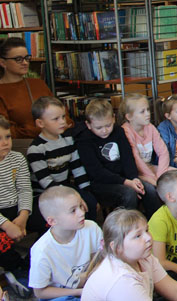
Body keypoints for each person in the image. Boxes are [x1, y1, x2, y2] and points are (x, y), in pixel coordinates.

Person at [81, 208, 177, 301]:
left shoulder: (144, 257)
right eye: (137, 236)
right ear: (117, 247)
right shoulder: (121, 280)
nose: (148, 238)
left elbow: (175, 290)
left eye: (147, 230)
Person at [76, 99, 161, 215]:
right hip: (101, 183)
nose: (104, 131)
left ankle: (153, 222)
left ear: (113, 118)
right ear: (88, 125)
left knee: (149, 190)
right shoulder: (84, 140)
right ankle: (127, 224)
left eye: (108, 125)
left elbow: (128, 158)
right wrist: (126, 182)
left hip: (124, 178)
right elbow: (96, 172)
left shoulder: (119, 132)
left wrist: (133, 178)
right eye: (99, 128)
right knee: (128, 193)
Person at [26, 96, 96, 233]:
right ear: (40, 123)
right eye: (56, 119)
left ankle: (87, 235)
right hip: (45, 193)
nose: (63, 121)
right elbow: (46, 182)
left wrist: (86, 191)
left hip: (65, 186)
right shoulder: (36, 149)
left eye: (63, 117)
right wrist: (74, 196)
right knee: (68, 208)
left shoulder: (68, 140)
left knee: (89, 201)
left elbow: (77, 168)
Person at [28, 186, 103, 300]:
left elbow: (99, 259)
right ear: (52, 221)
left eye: (80, 206)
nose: (81, 212)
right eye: (73, 210)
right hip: (60, 296)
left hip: (89, 285)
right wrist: (80, 292)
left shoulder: (91, 228)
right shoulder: (42, 250)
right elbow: (40, 292)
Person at [0, 38, 62, 139]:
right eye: (18, 59)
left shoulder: (38, 84)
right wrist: (46, 129)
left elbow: (62, 114)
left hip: (54, 141)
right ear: (3, 62)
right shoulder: (2, 91)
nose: (25, 62)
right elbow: (6, 130)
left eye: (27, 58)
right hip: (21, 145)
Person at [0, 116, 32, 292]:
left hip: (17, 209)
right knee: (2, 241)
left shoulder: (17, 158)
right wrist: (6, 225)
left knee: (53, 218)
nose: (5, 142)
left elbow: (24, 189)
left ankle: (33, 259)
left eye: (8, 137)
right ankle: (16, 267)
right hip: (1, 217)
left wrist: (23, 216)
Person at [120, 94, 171, 196]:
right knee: (153, 188)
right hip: (137, 172)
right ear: (129, 117)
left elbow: (163, 152)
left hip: (150, 167)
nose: (148, 114)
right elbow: (136, 158)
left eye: (148, 110)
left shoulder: (150, 127)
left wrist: (160, 174)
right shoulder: (126, 131)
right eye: (142, 111)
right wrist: (153, 178)